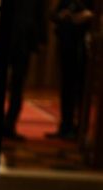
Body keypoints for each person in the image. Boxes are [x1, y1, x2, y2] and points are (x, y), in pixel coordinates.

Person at [46, 0, 94, 140]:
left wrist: (88, 15)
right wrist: (62, 15)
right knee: (67, 87)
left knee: (82, 89)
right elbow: (53, 15)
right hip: (67, 43)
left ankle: (81, 129)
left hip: (85, 47)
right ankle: (65, 126)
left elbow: (96, 15)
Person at [3, 0, 46, 140]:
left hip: (24, 42)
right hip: (7, 38)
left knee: (18, 86)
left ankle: (10, 125)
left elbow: (39, 14)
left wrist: (41, 39)